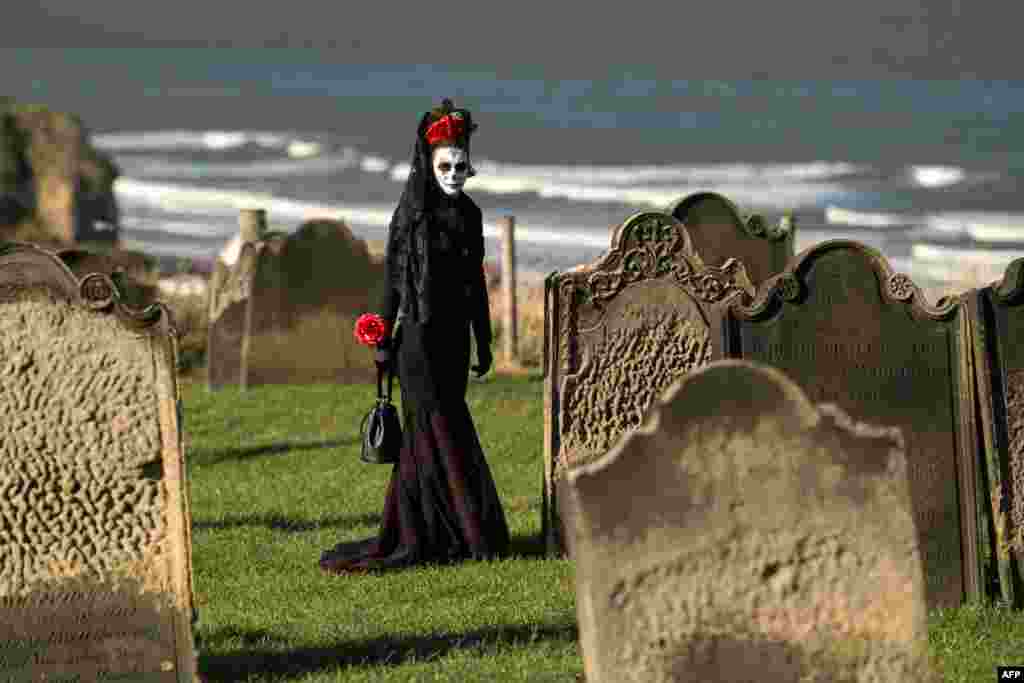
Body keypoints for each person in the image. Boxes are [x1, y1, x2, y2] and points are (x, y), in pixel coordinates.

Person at [319, 99, 510, 573]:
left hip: (454, 342)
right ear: (428, 162)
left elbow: (475, 284)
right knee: (436, 434)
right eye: (445, 166)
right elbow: (392, 284)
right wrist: (381, 338)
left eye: (461, 167)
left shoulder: (471, 215)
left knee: (446, 431)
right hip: (418, 347)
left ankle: (444, 533)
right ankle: (454, 535)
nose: (453, 175)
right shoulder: (410, 216)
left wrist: (484, 342)